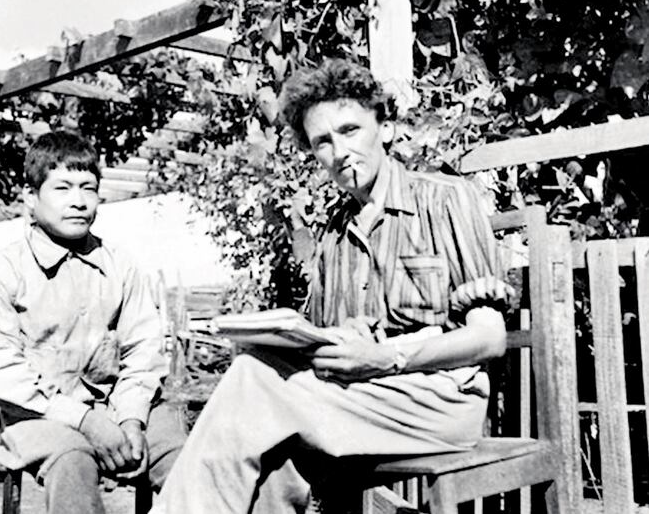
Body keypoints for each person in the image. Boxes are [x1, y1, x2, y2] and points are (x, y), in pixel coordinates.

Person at [150, 59, 512, 514]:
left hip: (440, 402)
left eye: (350, 130)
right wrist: (344, 335)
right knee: (270, 450)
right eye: (323, 141)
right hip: (363, 399)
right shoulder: (333, 235)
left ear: (385, 128)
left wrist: (388, 356)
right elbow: (335, 350)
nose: (340, 151)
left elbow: (489, 338)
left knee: (251, 385)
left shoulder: (443, 200)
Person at [0, 130, 185, 514]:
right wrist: (85, 420)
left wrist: (132, 417)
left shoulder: (121, 266)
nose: (78, 201)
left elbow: (144, 350)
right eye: (62, 188)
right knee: (73, 461)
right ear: (30, 198)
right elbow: (4, 373)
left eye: (89, 188)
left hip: (118, 408)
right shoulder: (1, 272)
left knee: (184, 458)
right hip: (36, 416)